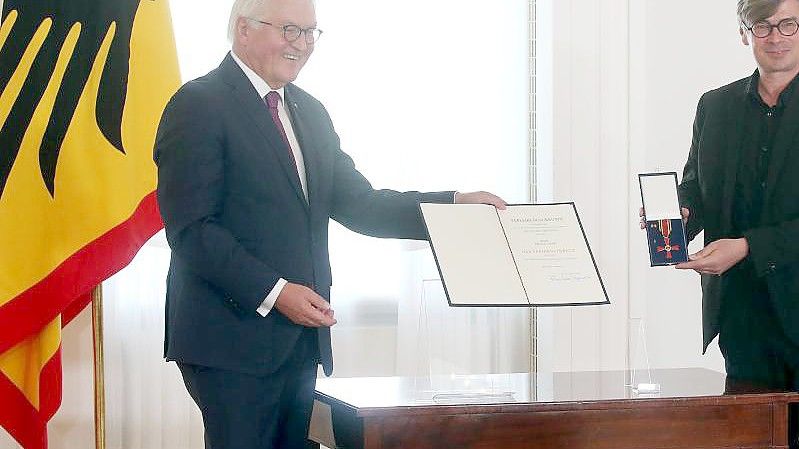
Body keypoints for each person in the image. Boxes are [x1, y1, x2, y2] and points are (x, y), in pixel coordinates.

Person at [153, 0, 506, 448]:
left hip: (299, 342)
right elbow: (192, 230)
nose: (300, 45)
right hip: (229, 341)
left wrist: (453, 205)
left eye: (310, 33)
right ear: (243, 29)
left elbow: (362, 205)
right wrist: (277, 291)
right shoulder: (199, 104)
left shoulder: (310, 112)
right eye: (288, 30)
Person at [675, 0, 799, 394]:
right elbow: (696, 186)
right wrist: (677, 215)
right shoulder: (715, 106)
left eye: (788, 24)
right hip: (741, 317)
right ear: (744, 34)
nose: (775, 37)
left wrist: (748, 247)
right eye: (762, 25)